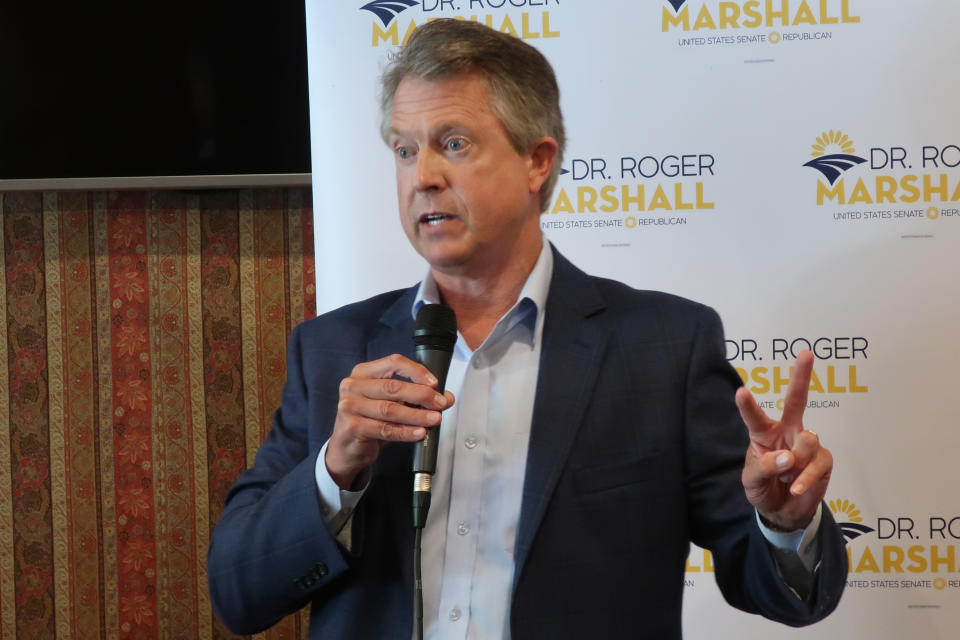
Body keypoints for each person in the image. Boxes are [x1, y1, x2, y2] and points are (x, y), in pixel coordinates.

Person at [208, 19, 846, 639]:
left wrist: (788, 523)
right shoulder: (331, 353)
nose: (422, 175)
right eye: (405, 149)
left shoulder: (663, 349)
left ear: (537, 162)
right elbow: (239, 593)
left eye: (453, 143)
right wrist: (336, 470)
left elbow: (778, 586)